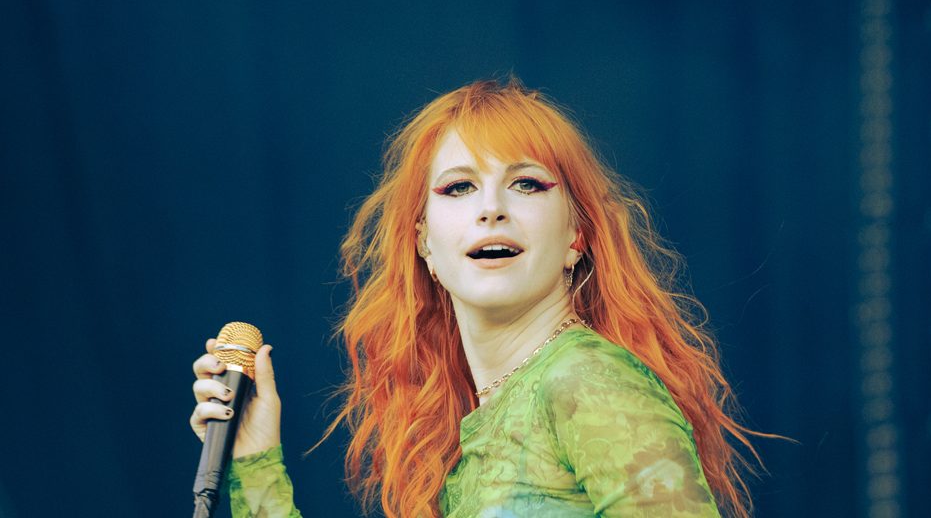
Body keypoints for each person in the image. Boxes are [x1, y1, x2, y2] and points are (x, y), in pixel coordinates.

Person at [190, 77, 765, 517]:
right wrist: (253, 457)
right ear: (424, 243)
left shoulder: (586, 382)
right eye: (459, 186)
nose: (491, 208)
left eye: (526, 184)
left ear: (576, 235)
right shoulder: (478, 416)